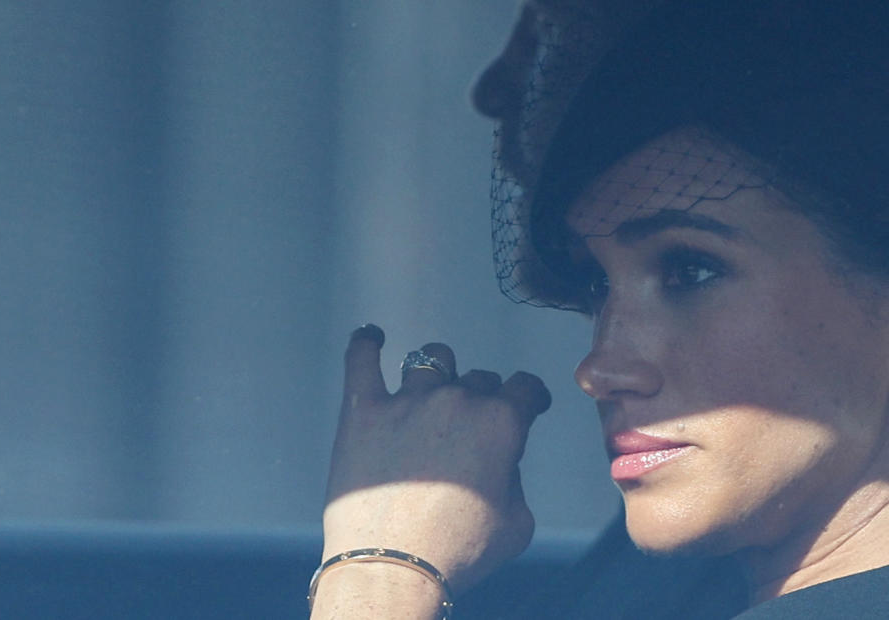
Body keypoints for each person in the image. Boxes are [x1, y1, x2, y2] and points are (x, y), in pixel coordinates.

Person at [309, 1, 889, 618]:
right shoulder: (683, 575)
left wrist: (381, 574)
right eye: (595, 284)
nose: (597, 369)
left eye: (690, 270)